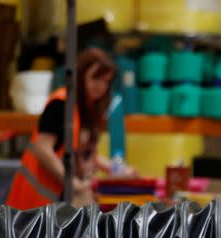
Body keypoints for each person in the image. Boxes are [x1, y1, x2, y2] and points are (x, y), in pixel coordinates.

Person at [7, 47, 131, 210]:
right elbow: (43, 149)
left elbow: (86, 154)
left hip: (61, 205)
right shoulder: (61, 103)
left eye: (106, 82)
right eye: (95, 78)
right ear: (80, 76)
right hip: (36, 206)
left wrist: (118, 170)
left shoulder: (89, 108)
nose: (101, 86)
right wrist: (73, 183)